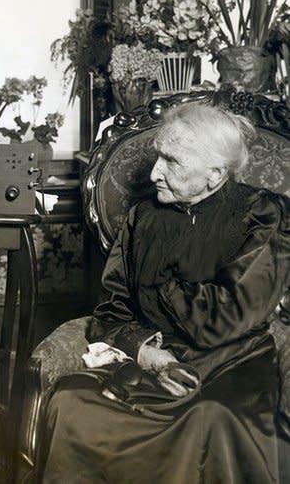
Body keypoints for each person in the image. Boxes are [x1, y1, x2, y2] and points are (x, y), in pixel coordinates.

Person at [40, 101, 290, 483]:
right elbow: (111, 308)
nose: (156, 172)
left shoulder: (262, 215)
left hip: (229, 369)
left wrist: (160, 286)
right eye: (158, 157)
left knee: (212, 421)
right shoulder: (143, 216)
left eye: (172, 162)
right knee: (68, 402)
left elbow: (227, 318)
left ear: (215, 174)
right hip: (151, 367)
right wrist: (147, 352)